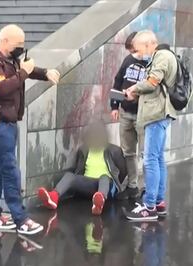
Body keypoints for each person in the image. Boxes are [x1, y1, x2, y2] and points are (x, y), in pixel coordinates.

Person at [0, 24, 60, 234]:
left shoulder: (11, 60)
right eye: (18, 44)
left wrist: (45, 73)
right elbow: (4, 88)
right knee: (10, 171)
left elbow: (27, 71)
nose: (21, 48)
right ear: (5, 41)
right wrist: (24, 72)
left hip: (8, 123)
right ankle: (20, 219)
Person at [124, 30, 177, 221]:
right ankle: (159, 203)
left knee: (150, 160)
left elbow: (153, 81)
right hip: (159, 113)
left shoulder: (161, 56)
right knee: (158, 158)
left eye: (139, 50)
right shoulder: (163, 55)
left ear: (148, 44)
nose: (139, 54)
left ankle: (149, 206)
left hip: (156, 114)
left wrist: (133, 89)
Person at [37, 122, 128, 215]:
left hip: (107, 186)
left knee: (104, 177)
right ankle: (53, 197)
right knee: (70, 176)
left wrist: (117, 187)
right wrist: (76, 183)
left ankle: (100, 202)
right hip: (89, 185)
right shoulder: (84, 150)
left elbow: (124, 171)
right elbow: (79, 170)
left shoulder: (114, 150)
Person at [111, 31, 150, 199]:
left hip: (143, 114)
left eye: (135, 49)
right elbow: (118, 81)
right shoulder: (128, 61)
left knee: (147, 153)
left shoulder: (152, 63)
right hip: (126, 112)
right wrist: (114, 105)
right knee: (128, 152)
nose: (133, 53)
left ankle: (149, 188)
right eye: (132, 50)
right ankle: (132, 185)